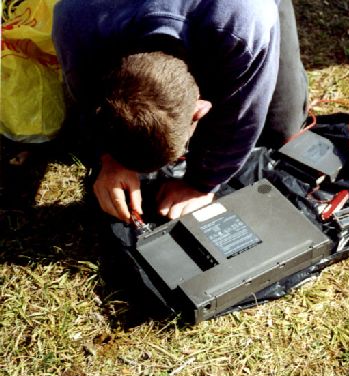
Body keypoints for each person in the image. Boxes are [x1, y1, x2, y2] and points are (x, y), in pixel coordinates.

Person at [52, 0, 308, 223]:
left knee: (281, 130)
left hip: (238, 13)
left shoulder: (246, 19)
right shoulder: (74, 21)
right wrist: (111, 160)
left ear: (202, 109)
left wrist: (201, 183)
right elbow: (84, 97)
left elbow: (242, 115)